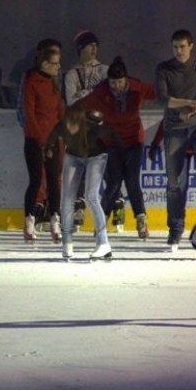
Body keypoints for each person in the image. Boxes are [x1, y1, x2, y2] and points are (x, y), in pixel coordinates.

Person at [155, 29, 196, 250]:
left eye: (183, 46)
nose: (179, 51)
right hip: (174, 129)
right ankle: (175, 228)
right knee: (175, 182)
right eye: (175, 47)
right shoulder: (164, 68)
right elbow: (163, 99)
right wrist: (188, 103)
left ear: (191, 46)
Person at [78, 56, 156, 240]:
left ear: (126, 79)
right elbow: (83, 104)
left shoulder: (137, 87)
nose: (116, 86)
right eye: (113, 82)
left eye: (119, 82)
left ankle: (141, 220)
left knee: (132, 181)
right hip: (112, 143)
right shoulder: (101, 91)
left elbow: (159, 92)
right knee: (113, 183)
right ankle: (101, 223)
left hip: (134, 142)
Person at [44, 107, 119, 260]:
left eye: (74, 124)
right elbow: (52, 137)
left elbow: (112, 133)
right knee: (67, 198)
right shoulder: (62, 126)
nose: (70, 128)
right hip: (73, 157)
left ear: (80, 123)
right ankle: (67, 242)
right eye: (68, 124)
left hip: (96, 157)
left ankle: (103, 243)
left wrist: (118, 152)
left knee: (91, 196)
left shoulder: (92, 129)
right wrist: (49, 148)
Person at [16, 38, 62, 234]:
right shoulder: (30, 81)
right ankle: (29, 220)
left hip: (54, 139)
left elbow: (59, 111)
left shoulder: (54, 83)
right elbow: (29, 113)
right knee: (35, 179)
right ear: (44, 63)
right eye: (55, 63)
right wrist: (40, 140)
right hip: (35, 139)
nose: (59, 67)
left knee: (53, 179)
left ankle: (55, 219)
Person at [63, 30, 106, 231]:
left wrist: (86, 95)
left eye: (96, 46)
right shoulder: (71, 74)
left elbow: (108, 97)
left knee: (104, 163)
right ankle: (78, 204)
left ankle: (116, 198)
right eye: (90, 46)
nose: (94, 49)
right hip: (80, 127)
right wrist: (92, 95)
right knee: (79, 163)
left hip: (101, 126)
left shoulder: (105, 71)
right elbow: (71, 101)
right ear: (81, 49)